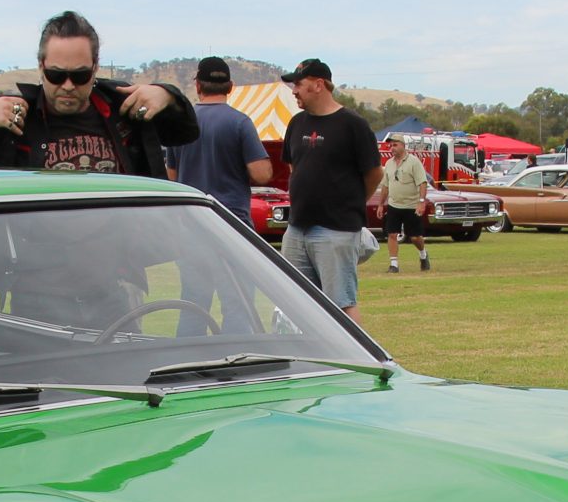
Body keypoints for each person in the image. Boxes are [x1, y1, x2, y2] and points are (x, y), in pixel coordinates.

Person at [0, 10, 196, 179]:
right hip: (27, 271)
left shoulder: (123, 109)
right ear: (41, 66)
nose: (69, 86)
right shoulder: (9, 119)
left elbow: (184, 133)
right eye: (57, 75)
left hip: (116, 270)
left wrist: (167, 96)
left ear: (96, 68)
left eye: (81, 75)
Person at [276, 58, 381, 321]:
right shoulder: (296, 123)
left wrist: (351, 204)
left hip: (336, 230)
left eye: (299, 84)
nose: (294, 91)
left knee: (340, 304)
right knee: (293, 303)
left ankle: (354, 359)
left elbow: (374, 173)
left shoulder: (353, 125)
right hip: (297, 228)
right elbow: (294, 168)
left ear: (319, 84)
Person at [166, 54, 271, 225]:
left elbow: (171, 177)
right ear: (230, 87)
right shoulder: (241, 123)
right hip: (231, 221)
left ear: (198, 85)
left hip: (190, 217)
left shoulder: (179, 122)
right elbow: (261, 174)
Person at [379, 134, 432, 272]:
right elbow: (385, 185)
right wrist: (380, 204)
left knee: (415, 237)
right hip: (394, 204)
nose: (392, 148)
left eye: (395, 145)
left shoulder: (414, 162)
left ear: (403, 145)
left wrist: (421, 202)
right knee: (392, 234)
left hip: (411, 205)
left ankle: (423, 255)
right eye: (391, 145)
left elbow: (422, 183)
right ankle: (394, 265)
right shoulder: (389, 164)